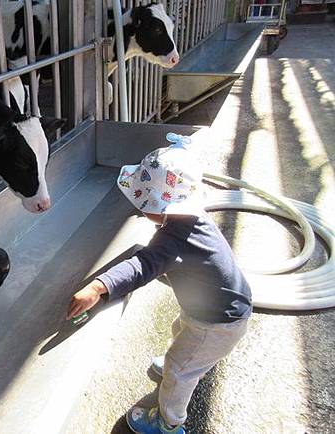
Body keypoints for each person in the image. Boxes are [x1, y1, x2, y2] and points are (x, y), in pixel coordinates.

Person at [66, 133, 252, 434]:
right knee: (182, 331)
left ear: (163, 205)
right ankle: (184, 360)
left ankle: (169, 423)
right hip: (216, 308)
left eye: (144, 201)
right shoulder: (194, 218)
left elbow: (141, 266)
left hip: (217, 323)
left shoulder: (174, 239)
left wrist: (99, 286)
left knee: (180, 373)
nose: (140, 208)